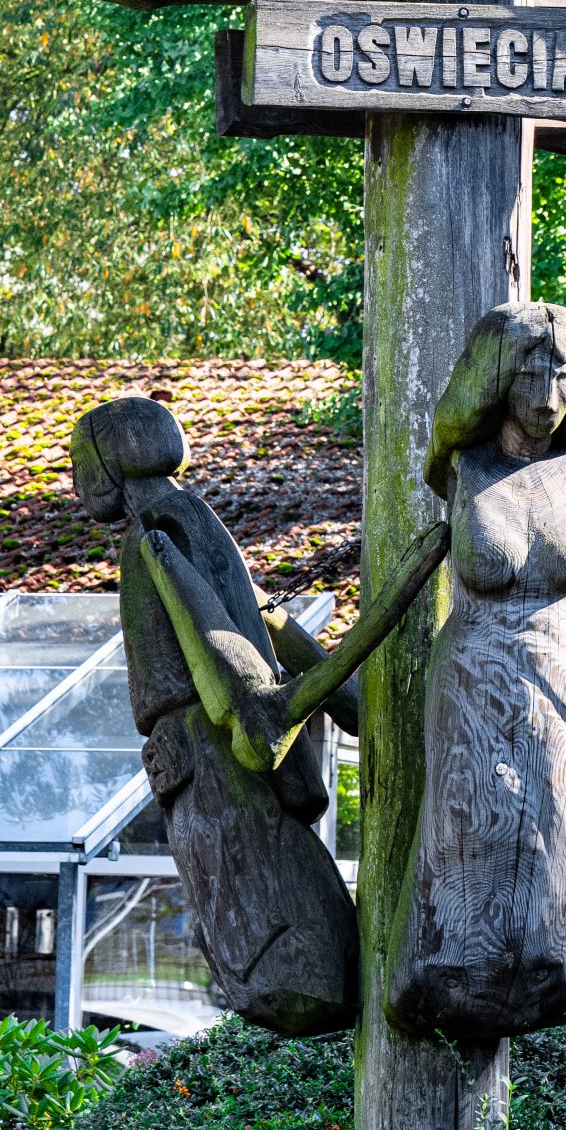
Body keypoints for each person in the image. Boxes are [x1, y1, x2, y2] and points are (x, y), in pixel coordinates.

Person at [71, 393, 445, 1036]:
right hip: (205, 751)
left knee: (257, 903)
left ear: (106, 464)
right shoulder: (186, 519)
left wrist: (245, 702)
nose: (78, 484)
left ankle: (303, 969)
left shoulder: (156, 532)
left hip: (207, 754)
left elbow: (216, 641)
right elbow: (242, 618)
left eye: (80, 464)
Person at [387, 304, 566, 1042]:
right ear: (495, 379)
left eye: (565, 375)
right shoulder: (463, 471)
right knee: (468, 842)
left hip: (564, 688)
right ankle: (437, 974)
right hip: (472, 688)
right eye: (529, 373)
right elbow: (409, 576)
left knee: (550, 848)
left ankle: (535, 984)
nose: (548, 395)